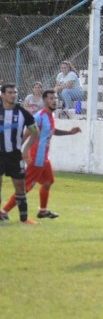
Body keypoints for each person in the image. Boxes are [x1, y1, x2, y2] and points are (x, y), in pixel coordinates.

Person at [0, 89, 81, 220]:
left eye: (55, 98)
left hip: (44, 159)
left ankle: (42, 211)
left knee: (48, 181)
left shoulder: (51, 116)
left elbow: (51, 131)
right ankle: (3, 212)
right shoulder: (39, 116)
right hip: (36, 158)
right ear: (44, 101)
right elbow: (27, 133)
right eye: (51, 98)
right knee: (25, 188)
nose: (54, 101)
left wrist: (69, 132)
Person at [0, 83, 40, 224]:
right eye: (10, 92)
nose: (13, 95)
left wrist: (26, 149)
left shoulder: (23, 113)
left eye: (15, 92)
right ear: (3, 94)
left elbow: (35, 131)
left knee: (20, 186)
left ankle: (24, 219)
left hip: (15, 155)